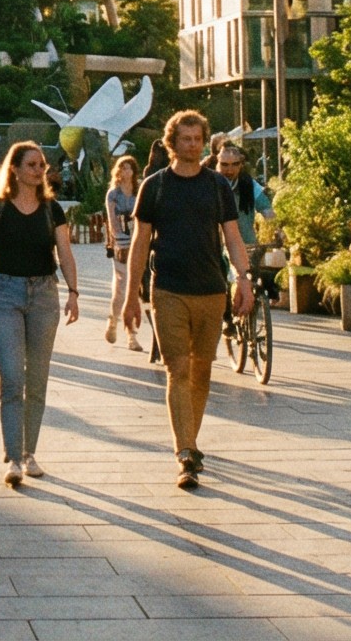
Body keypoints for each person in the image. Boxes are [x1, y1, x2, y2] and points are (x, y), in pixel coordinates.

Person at [122, 110, 251, 489]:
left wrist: (243, 279)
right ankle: (186, 452)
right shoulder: (155, 186)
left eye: (197, 139)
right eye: (185, 139)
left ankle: (189, 442)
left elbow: (232, 237)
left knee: (202, 371)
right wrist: (131, 294)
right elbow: (141, 242)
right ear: (172, 143)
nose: (192, 145)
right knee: (177, 370)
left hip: (211, 289)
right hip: (169, 289)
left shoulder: (216, 186)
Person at [0, 140, 80, 486]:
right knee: (11, 377)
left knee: (36, 379)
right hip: (5, 294)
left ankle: (29, 453)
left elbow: (65, 253)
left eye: (42, 165)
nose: (40, 170)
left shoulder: (53, 210)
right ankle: (12, 457)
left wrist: (73, 292)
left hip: (44, 295)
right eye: (32, 165)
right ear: (15, 169)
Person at [101, 154, 139, 344]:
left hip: (138, 242)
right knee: (122, 288)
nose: (126, 171)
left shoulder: (138, 191)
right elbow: (113, 222)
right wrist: (122, 242)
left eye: (129, 168)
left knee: (140, 290)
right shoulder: (113, 194)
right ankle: (123, 328)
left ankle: (124, 326)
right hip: (121, 243)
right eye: (122, 168)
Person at [214, 137, 272, 246]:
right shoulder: (210, 184)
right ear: (218, 163)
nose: (229, 170)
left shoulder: (249, 185)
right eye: (224, 164)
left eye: (235, 164)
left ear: (241, 164)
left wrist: (275, 228)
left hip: (246, 246)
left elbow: (267, 210)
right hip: (215, 249)